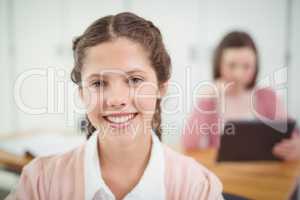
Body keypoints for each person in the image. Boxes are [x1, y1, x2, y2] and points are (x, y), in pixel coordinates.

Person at [10, 12, 223, 200]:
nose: (116, 99)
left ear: (161, 88)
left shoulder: (198, 188)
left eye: (134, 80)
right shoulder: (40, 183)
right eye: (98, 83)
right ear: (82, 94)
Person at [182, 31, 300, 161]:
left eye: (247, 66)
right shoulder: (210, 101)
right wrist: (206, 98)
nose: (238, 74)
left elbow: (292, 134)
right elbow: (188, 144)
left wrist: (296, 146)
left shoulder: (268, 97)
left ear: (255, 67)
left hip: (265, 172)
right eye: (232, 65)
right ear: (218, 64)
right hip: (225, 174)